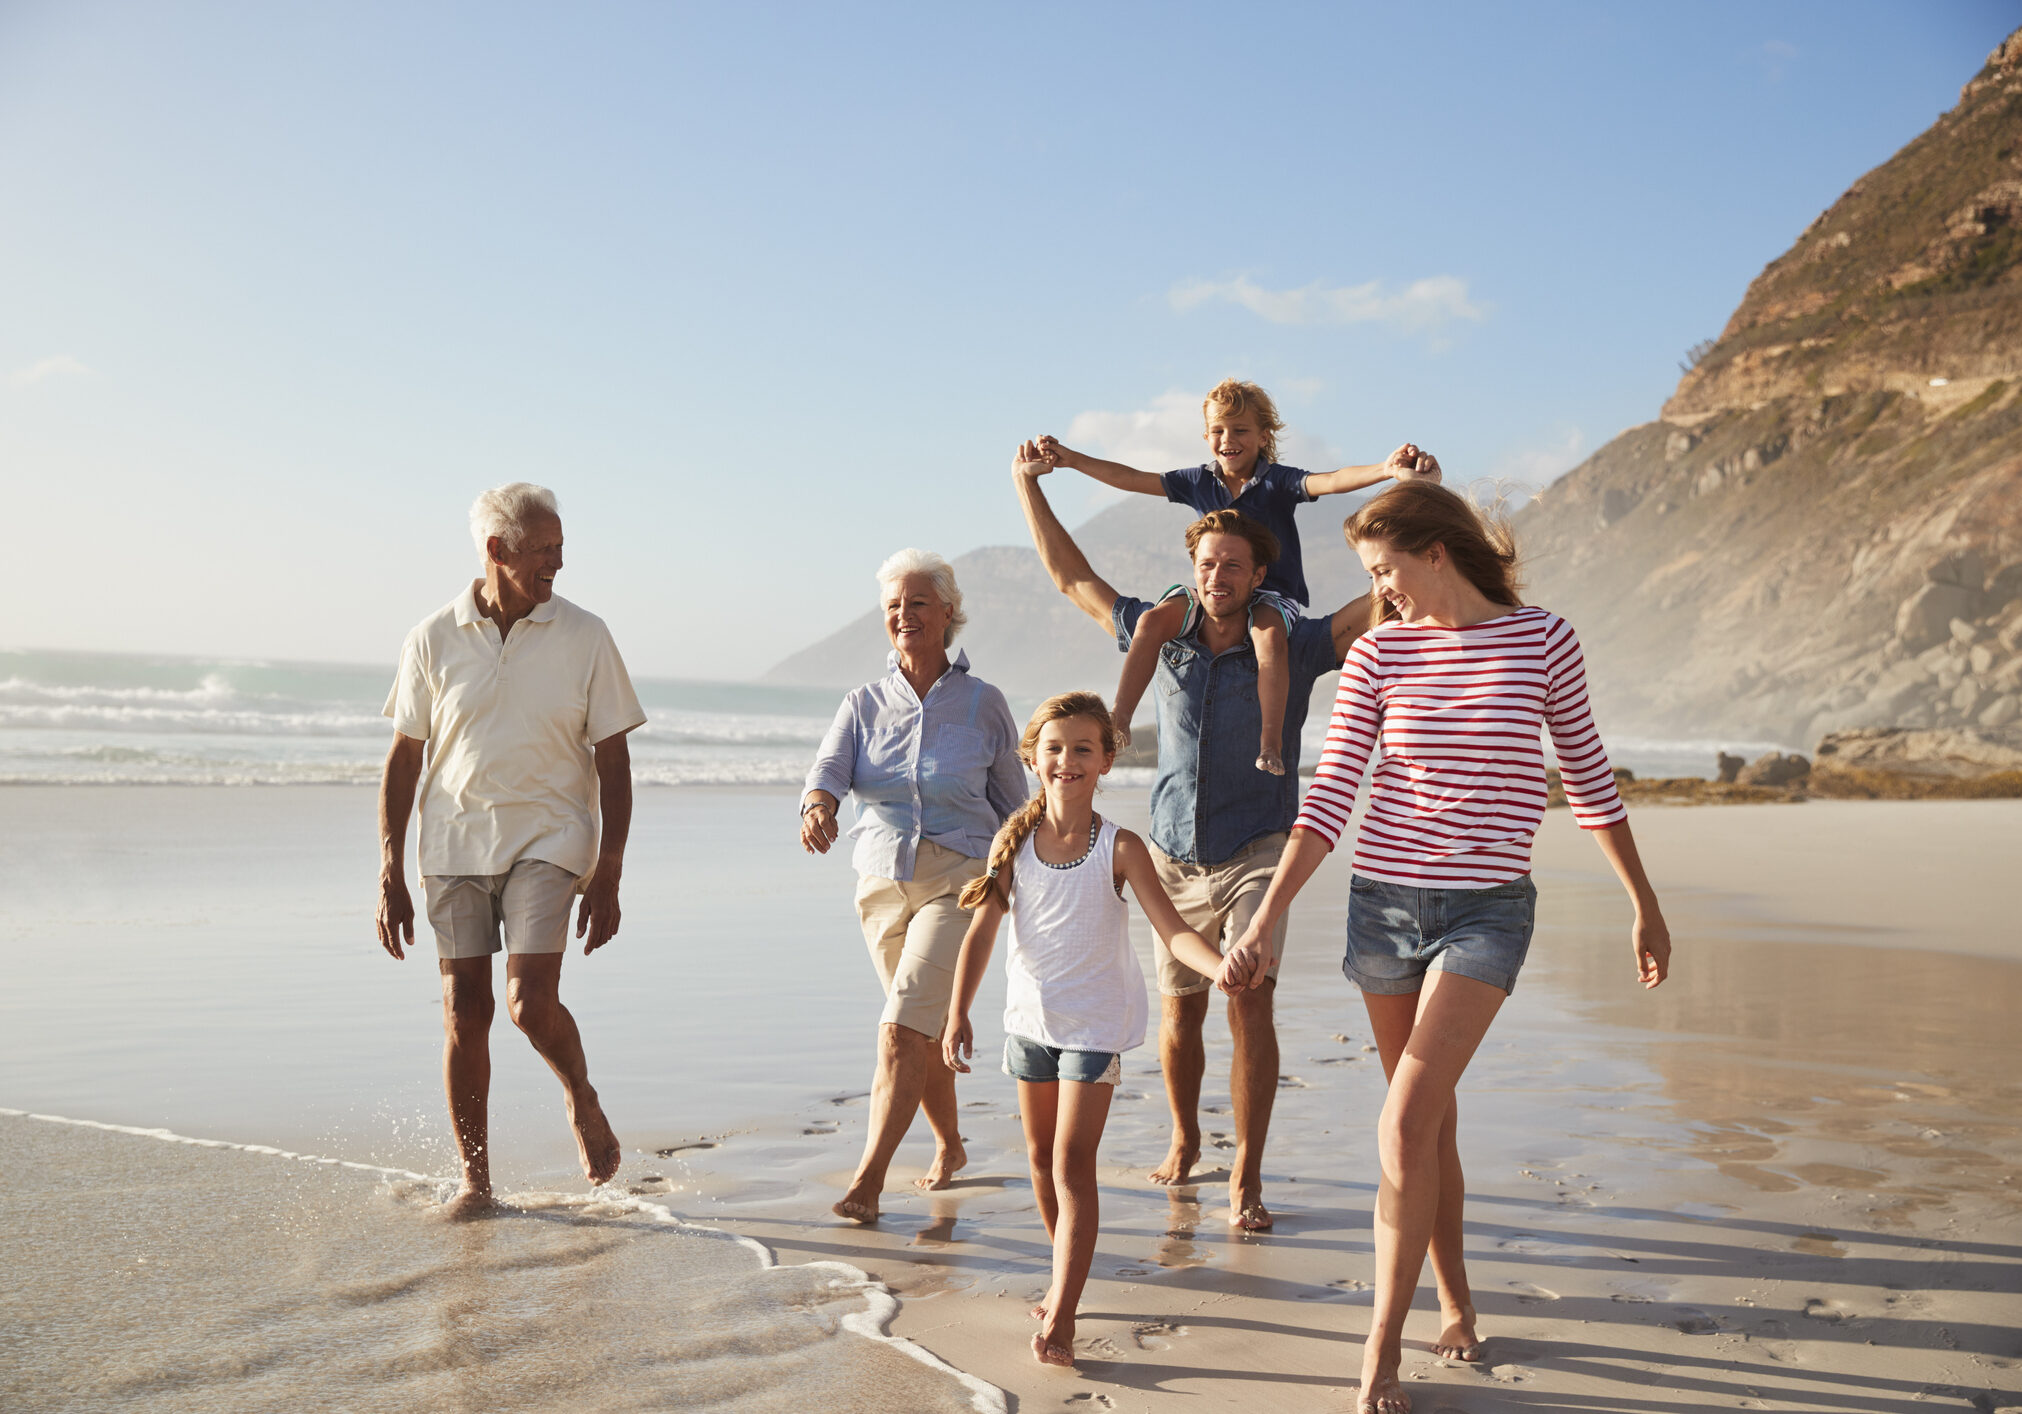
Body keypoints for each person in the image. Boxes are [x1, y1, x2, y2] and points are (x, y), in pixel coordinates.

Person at [1221, 480, 1674, 1414]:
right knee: (1426, 1123)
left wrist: (1644, 901)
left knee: (1403, 1123)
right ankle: (1456, 1299)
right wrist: (1265, 917)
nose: (1378, 591)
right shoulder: (1380, 651)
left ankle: (1380, 1351)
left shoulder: (1543, 640)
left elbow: (1587, 778)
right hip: (1383, 909)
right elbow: (1331, 796)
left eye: (1384, 570)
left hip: (1487, 913)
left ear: (1435, 552)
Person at [1012, 441, 1377, 1231]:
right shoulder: (1165, 632)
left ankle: (1248, 1171)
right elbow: (1073, 579)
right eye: (1208, 564)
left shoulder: (1293, 640)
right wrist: (1028, 489)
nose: (1219, 577)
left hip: (1260, 850)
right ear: (1194, 568)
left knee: (1249, 998)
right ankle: (1185, 1137)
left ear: (1259, 574)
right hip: (1174, 854)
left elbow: (1376, 604)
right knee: (1180, 1015)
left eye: (1234, 566)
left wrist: (1416, 508)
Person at [941, 692, 1241, 1368]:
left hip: (1093, 1029)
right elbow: (981, 934)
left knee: (1072, 1164)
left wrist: (1219, 967)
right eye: (1054, 748)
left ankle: (1064, 1313)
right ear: (1032, 758)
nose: (1067, 760)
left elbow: (1173, 929)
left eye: (1083, 748)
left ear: (1107, 760)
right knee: (1039, 1161)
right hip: (1030, 1024)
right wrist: (958, 1010)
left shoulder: (1120, 846)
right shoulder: (1013, 845)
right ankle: (1062, 1274)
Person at [375, 482, 646, 1219]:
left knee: (528, 1003)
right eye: (543, 549)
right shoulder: (432, 636)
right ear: (497, 550)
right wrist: (389, 869)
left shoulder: (586, 635)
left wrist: (610, 867)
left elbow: (613, 758)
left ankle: (580, 1094)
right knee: (465, 1011)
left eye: (560, 547)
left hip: (550, 837)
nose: (557, 562)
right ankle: (476, 1179)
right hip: (453, 843)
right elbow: (405, 756)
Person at [1039, 378, 1434, 775]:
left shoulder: (1277, 481)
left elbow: (1330, 480)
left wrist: (1385, 469)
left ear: (1263, 437)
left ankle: (1270, 743)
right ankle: (1119, 720)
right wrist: (1072, 459)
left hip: (1272, 595)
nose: (1228, 439)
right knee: (1151, 620)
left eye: (1240, 430)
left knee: (1269, 639)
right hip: (1212, 591)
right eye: (1218, 430)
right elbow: (1131, 477)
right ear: (1206, 436)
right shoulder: (1198, 481)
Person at [800, 549, 1025, 1223]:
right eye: (894, 605)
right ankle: (950, 1145)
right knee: (921, 1033)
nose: (904, 614)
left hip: (959, 881)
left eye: (918, 602)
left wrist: (1021, 886)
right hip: (879, 883)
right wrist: (817, 806)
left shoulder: (985, 704)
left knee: (899, 1030)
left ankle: (867, 1183)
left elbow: (1016, 806)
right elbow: (828, 770)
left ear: (948, 613)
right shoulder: (863, 703)